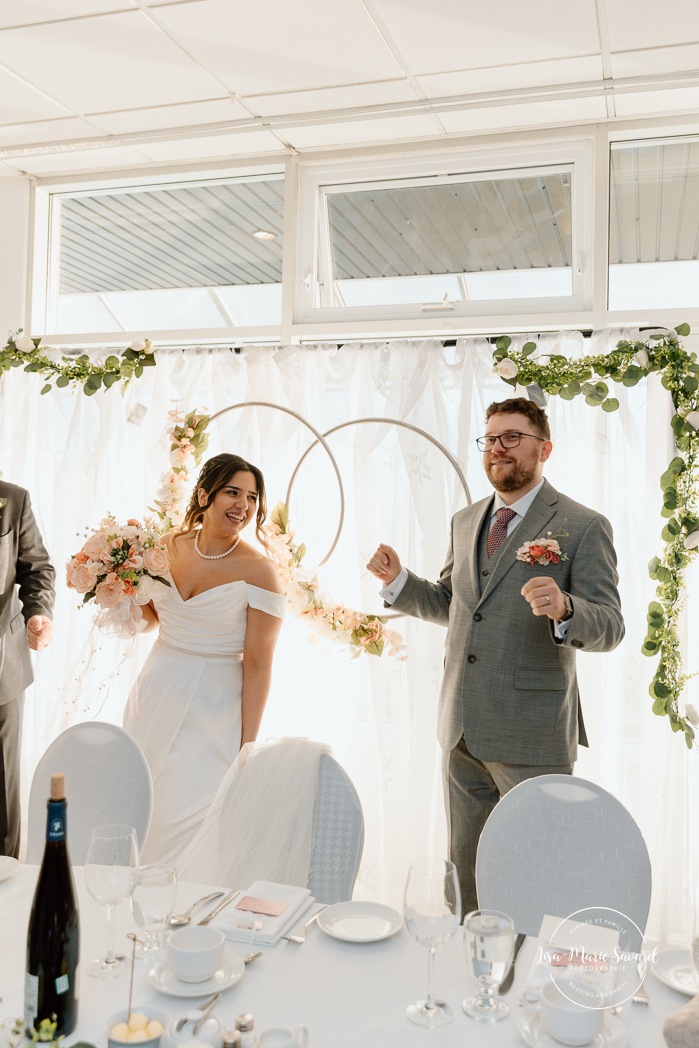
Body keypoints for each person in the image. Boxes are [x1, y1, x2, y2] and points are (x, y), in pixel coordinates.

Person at [367, 397, 624, 913]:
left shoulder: (583, 524)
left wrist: (567, 608)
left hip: (532, 731)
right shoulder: (466, 521)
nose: (497, 449)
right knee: (466, 875)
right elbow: (454, 604)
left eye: (512, 437)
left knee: (540, 870)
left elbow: (611, 626)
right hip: (460, 725)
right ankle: (469, 972)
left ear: (544, 448)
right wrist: (398, 582)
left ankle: (529, 981)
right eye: (489, 439)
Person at [124, 453, 285, 865]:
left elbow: (259, 664)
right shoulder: (164, 548)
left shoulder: (260, 572)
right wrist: (119, 593)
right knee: (142, 801)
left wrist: (247, 745)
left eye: (252, 497)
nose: (243, 506)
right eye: (232, 492)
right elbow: (150, 623)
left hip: (213, 707)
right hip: (156, 689)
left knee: (189, 813)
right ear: (204, 494)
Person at [0, 480, 55, 857]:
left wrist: (39, 614)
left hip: (3, 666)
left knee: (3, 789)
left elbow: (37, 569)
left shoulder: (13, 499)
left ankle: (6, 884)